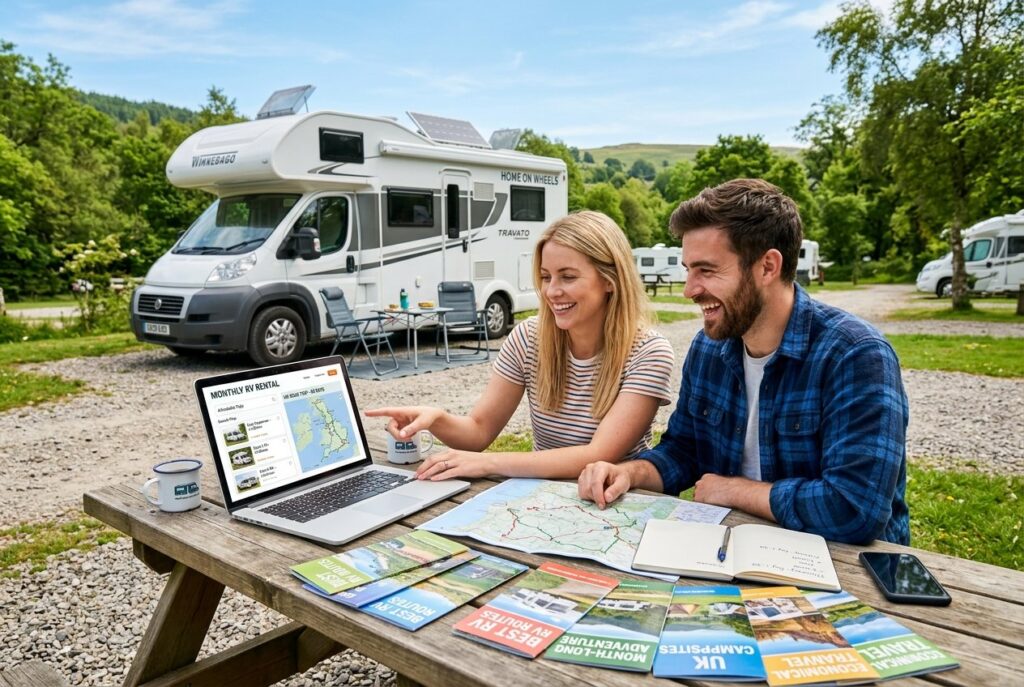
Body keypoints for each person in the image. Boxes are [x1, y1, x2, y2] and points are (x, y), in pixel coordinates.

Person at [577, 179, 910, 545]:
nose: (689, 289)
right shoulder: (708, 347)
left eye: (706, 270)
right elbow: (684, 450)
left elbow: (855, 509)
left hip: (842, 568)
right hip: (731, 552)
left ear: (767, 267)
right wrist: (629, 473)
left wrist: (736, 491)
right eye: (688, 269)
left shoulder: (856, 355)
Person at [366, 211, 675, 481]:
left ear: (610, 280)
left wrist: (488, 464)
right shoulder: (528, 337)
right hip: (538, 497)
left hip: (613, 501)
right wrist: (435, 418)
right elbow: (478, 431)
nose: (552, 292)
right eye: (545, 277)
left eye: (567, 277)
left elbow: (597, 455)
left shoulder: (649, 352)